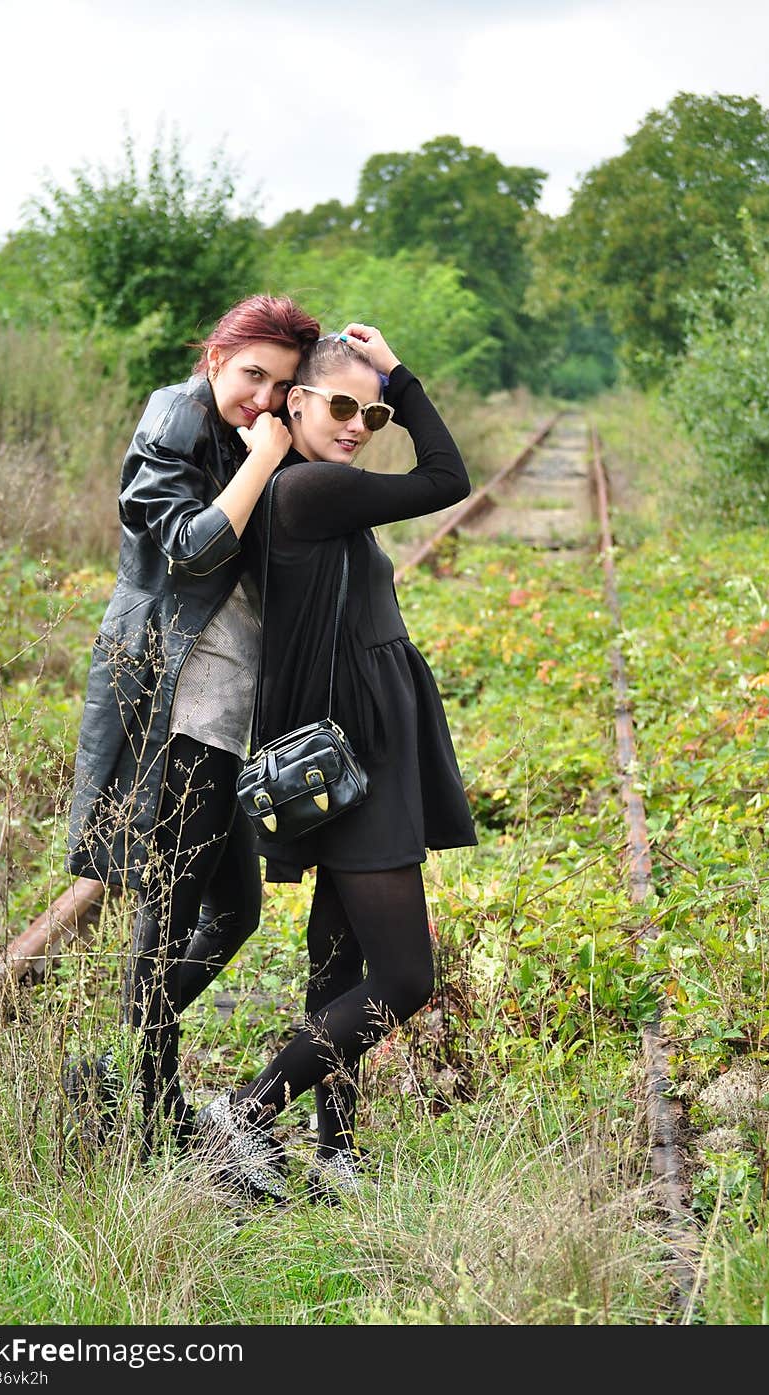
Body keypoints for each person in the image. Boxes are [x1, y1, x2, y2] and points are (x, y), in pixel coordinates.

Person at [196, 325, 478, 1202]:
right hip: (354, 752)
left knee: (339, 955)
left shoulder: (308, 489)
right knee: (404, 977)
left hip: (360, 745)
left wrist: (386, 383)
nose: (362, 423)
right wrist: (400, 367)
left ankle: (336, 1153)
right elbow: (448, 479)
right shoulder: (312, 489)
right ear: (298, 402)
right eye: (345, 405)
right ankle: (243, 1115)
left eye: (377, 409)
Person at [64, 294, 321, 1156]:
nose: (262, 397)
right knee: (170, 911)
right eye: (251, 374)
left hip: (225, 704)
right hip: (176, 704)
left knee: (234, 911)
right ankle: (154, 1114)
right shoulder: (175, 423)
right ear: (214, 358)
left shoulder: (245, 428)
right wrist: (268, 456)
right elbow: (192, 547)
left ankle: (116, 1067)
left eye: (280, 385)